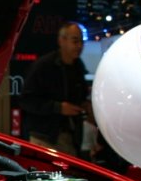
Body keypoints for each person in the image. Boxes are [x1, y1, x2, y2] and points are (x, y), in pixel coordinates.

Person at [20, 21, 90, 156]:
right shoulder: (44, 66)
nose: (80, 46)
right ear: (61, 40)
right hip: (44, 138)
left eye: (82, 42)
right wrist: (58, 107)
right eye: (75, 41)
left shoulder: (78, 67)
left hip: (69, 138)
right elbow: (26, 100)